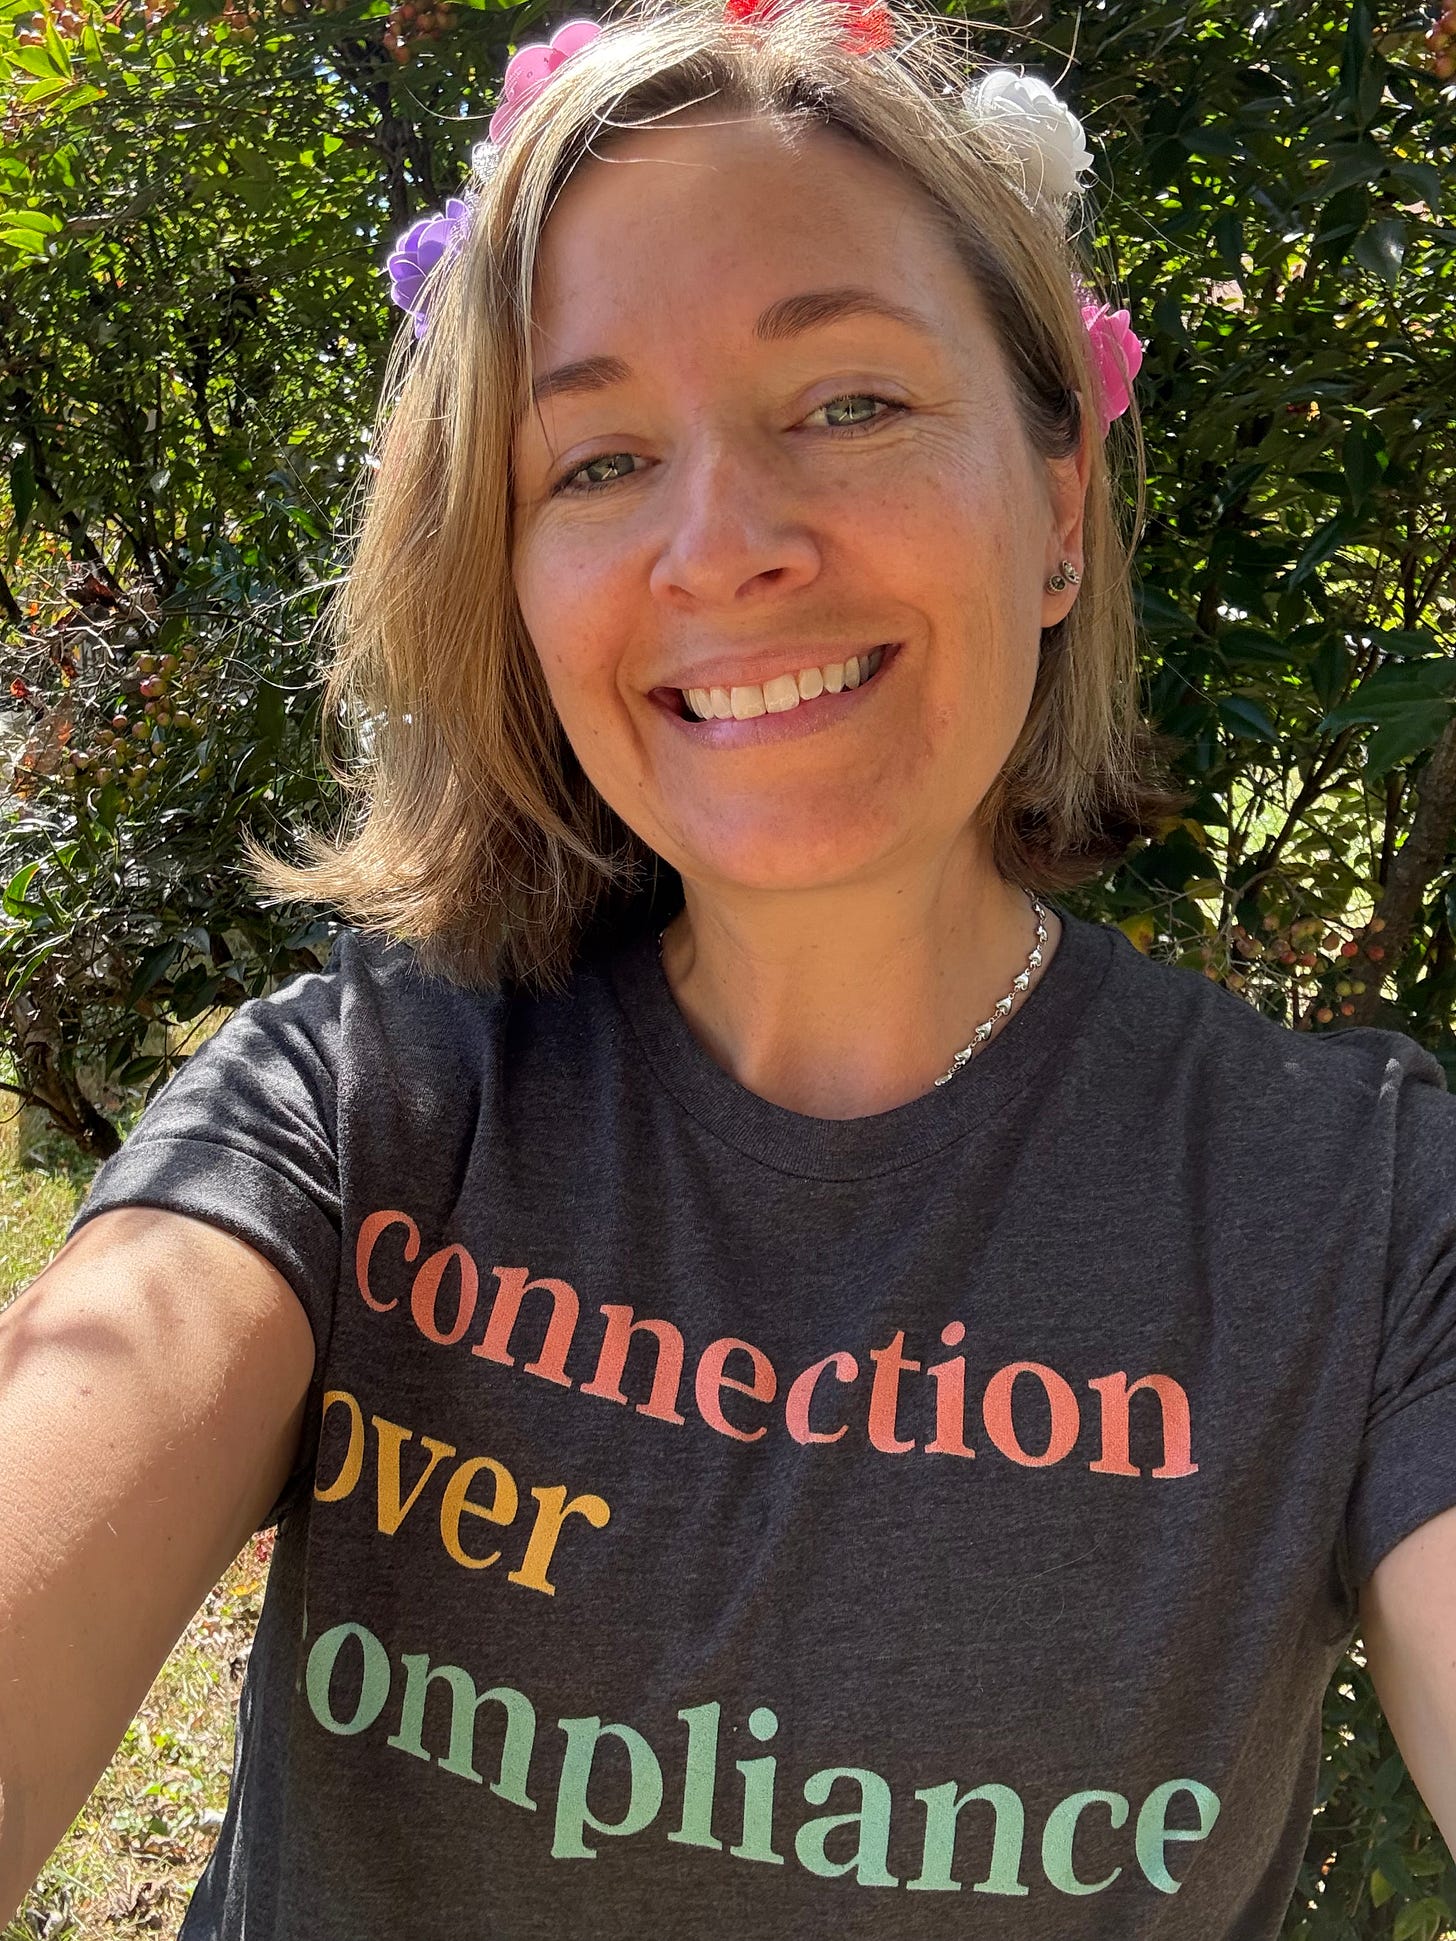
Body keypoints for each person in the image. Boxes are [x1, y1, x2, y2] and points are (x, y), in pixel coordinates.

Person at [2, 0, 1455, 1933]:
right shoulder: (359, 1112)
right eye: (594, 457)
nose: (721, 542)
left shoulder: (1346, 1212)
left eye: (849, 402)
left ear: (1057, 511)